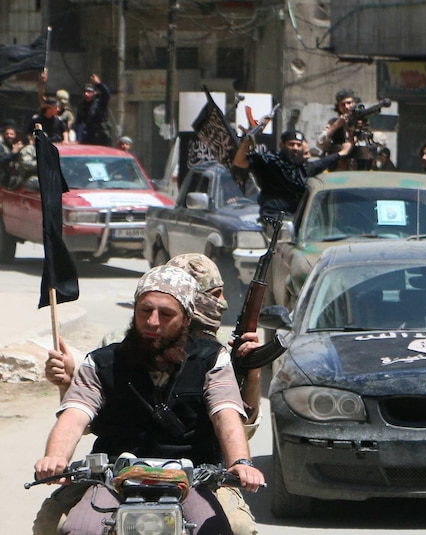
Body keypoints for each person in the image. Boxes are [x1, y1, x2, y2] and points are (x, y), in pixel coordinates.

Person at [33, 265, 265, 535]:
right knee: (65, 527)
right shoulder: (101, 362)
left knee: (235, 529)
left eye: (166, 314)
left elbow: (225, 413)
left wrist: (241, 463)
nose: (153, 321)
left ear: (186, 318)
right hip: (112, 476)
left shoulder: (211, 359)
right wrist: (55, 458)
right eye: (146, 310)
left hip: (195, 477)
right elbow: (74, 415)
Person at [233, 128, 352, 228]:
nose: (295, 148)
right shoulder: (268, 161)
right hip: (274, 218)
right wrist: (247, 142)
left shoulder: (301, 168)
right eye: (291, 144)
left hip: (296, 220)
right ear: (282, 145)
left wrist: (341, 153)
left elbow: (319, 164)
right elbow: (239, 162)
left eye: (298, 145)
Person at [317, 88, 359, 159]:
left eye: (349, 103)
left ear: (354, 103)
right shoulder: (333, 123)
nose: (346, 107)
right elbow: (320, 143)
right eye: (343, 104)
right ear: (339, 107)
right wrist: (336, 126)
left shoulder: (363, 120)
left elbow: (380, 140)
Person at [74, 74, 111, 146]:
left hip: (101, 134)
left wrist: (98, 84)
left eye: (89, 92)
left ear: (94, 93)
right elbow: (79, 122)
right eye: (85, 92)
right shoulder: (82, 104)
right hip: (88, 135)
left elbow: (106, 93)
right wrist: (78, 138)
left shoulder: (100, 101)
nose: (86, 94)